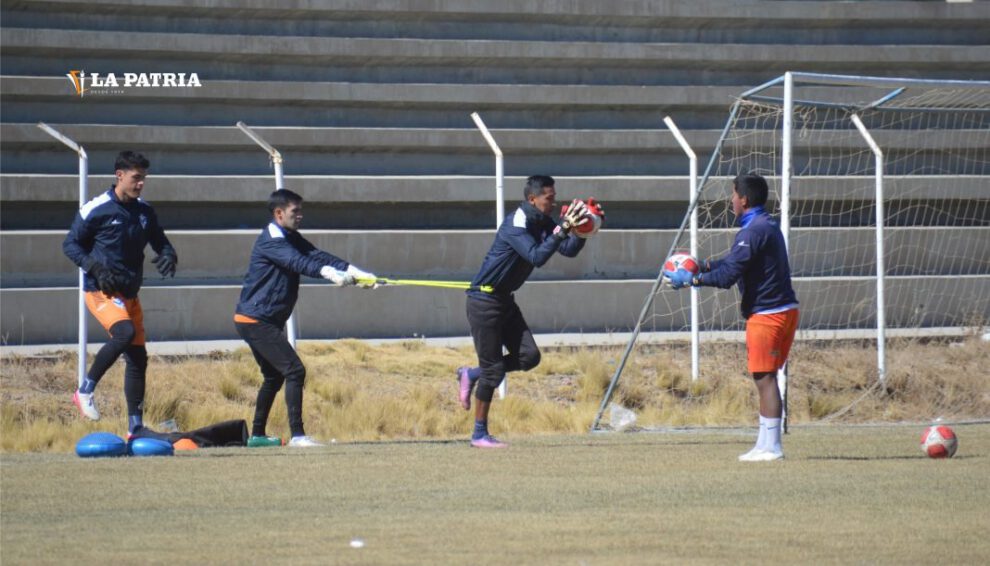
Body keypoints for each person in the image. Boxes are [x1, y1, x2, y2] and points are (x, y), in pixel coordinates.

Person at [664, 173, 799, 462]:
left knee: (764, 379)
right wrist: (703, 264)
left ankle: (772, 447)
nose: (731, 200)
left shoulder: (751, 231)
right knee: (767, 377)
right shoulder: (765, 224)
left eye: (733, 195)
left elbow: (727, 277)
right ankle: (764, 444)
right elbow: (735, 260)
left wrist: (691, 280)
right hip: (784, 309)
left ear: (744, 199)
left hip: (767, 314)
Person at [456, 175, 593, 448]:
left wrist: (582, 231)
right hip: (483, 302)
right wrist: (563, 229)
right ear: (533, 199)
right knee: (494, 371)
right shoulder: (515, 223)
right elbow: (536, 257)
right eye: (549, 198)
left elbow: (567, 249)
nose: (553, 203)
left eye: (554, 197)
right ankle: (479, 435)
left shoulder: (543, 220)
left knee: (529, 357)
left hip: (504, 301)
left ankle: (470, 375)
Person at [235, 188, 378, 448]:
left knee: (274, 376)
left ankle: (256, 435)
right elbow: (299, 263)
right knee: (294, 370)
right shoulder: (272, 241)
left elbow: (315, 255)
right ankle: (298, 436)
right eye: (295, 211)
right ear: (279, 213)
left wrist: (354, 271)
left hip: (264, 320)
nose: (300, 215)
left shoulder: (290, 236)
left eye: (301, 210)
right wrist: (329, 274)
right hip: (255, 320)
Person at [63, 151, 178, 438]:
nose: (141, 184)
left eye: (144, 178)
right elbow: (70, 245)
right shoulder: (96, 208)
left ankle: (135, 427)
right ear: (119, 176)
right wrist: (96, 268)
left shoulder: (145, 212)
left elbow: (161, 242)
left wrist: (168, 254)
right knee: (124, 333)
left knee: (138, 359)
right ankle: (85, 391)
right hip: (101, 291)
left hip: (130, 294)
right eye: (136, 178)